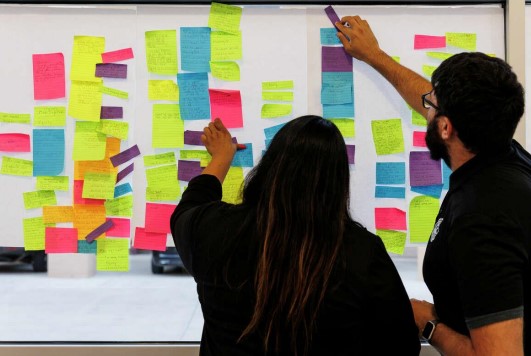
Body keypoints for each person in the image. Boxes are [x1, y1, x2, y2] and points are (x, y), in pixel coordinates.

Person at [335, 16, 531, 355]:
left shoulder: (481, 219)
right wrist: (375, 56)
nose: (426, 104)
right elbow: (425, 97)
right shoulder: (506, 150)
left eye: (432, 104)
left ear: (446, 128)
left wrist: (428, 324)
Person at [171, 116, 420, 355]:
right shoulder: (361, 253)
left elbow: (188, 209)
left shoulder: (217, 230)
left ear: (269, 167)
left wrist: (222, 158)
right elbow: (402, 346)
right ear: (337, 183)